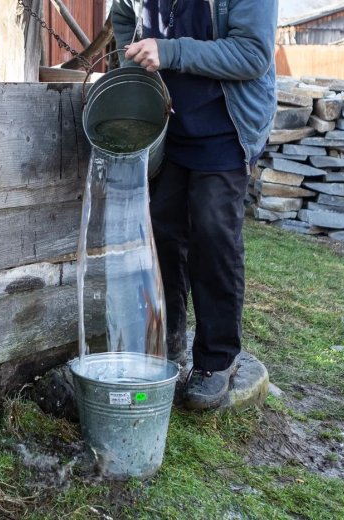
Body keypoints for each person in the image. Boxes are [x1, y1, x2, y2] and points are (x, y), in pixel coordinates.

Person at [111, 0, 278, 410]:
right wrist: (135, 74)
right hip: (170, 125)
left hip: (225, 126)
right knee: (163, 234)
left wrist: (169, 52)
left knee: (213, 235)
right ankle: (167, 345)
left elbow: (253, 54)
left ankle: (217, 359)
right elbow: (122, 14)